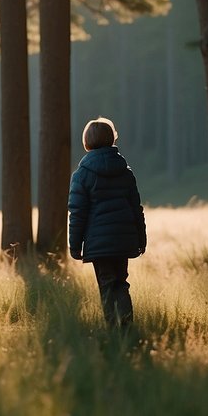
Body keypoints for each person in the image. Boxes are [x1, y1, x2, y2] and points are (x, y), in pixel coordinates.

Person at [67, 117, 146, 327]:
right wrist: (141, 238)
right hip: (123, 240)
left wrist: (75, 246)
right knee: (121, 283)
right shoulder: (125, 172)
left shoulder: (82, 175)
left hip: (99, 244)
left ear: (87, 141)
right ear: (112, 139)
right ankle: (127, 327)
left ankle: (113, 329)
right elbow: (136, 208)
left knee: (107, 285)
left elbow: (77, 213)